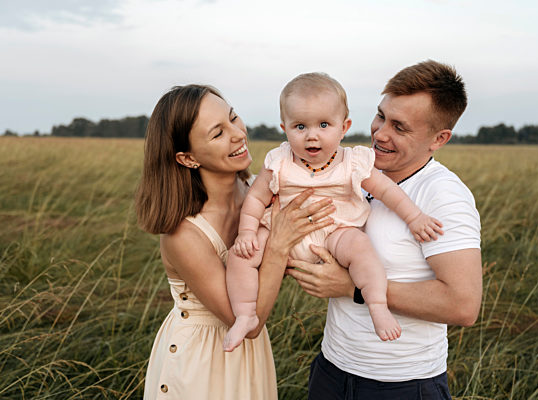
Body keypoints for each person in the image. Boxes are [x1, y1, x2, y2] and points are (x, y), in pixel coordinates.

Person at [287, 60, 483, 399]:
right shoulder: (353, 170)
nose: (380, 133)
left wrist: (354, 288)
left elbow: (462, 305)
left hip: (401, 385)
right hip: (332, 369)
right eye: (381, 116)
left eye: (399, 127)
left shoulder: (443, 196)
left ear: (439, 139)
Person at [135, 84, 335, 400]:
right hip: (199, 361)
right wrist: (279, 245)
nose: (238, 134)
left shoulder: (258, 194)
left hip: (250, 355)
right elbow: (249, 323)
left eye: (233, 118)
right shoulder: (184, 234)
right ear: (187, 158)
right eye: (218, 133)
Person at [223, 72, 444, 352]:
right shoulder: (279, 162)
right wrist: (246, 233)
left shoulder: (353, 162)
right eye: (300, 126)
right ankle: (245, 314)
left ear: (344, 127)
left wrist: (415, 217)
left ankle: (377, 304)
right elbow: (255, 199)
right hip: (279, 232)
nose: (311, 135)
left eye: (324, 125)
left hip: (335, 233)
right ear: (285, 128)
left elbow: (387, 191)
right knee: (240, 256)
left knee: (361, 248)